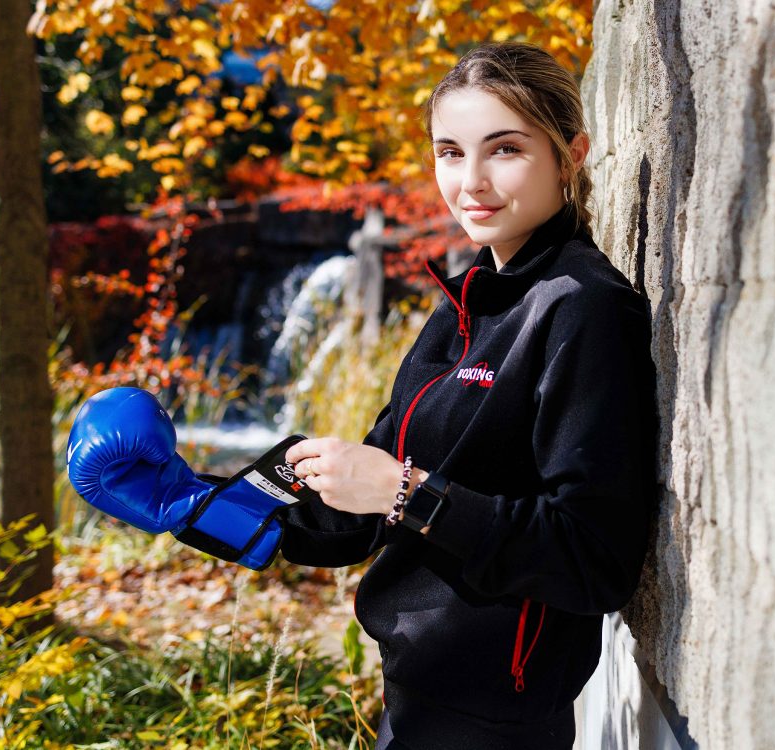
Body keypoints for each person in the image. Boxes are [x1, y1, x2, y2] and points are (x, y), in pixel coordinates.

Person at [277, 41, 659, 750]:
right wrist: (195, 505)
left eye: (504, 149)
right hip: (415, 694)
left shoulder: (582, 306)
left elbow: (591, 557)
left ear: (570, 154)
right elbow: (356, 517)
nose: (472, 181)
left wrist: (406, 491)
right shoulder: (469, 301)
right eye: (450, 152)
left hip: (497, 718)